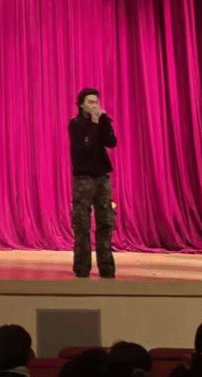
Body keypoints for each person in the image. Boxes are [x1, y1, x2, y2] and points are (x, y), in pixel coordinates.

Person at [69, 87, 117, 278]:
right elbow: (84, 147)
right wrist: (95, 124)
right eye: (90, 102)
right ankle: (82, 268)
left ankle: (106, 267)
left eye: (96, 102)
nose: (94, 106)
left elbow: (111, 142)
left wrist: (103, 122)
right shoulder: (76, 124)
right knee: (82, 224)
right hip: (83, 178)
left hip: (102, 176)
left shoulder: (102, 120)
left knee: (105, 221)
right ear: (81, 105)